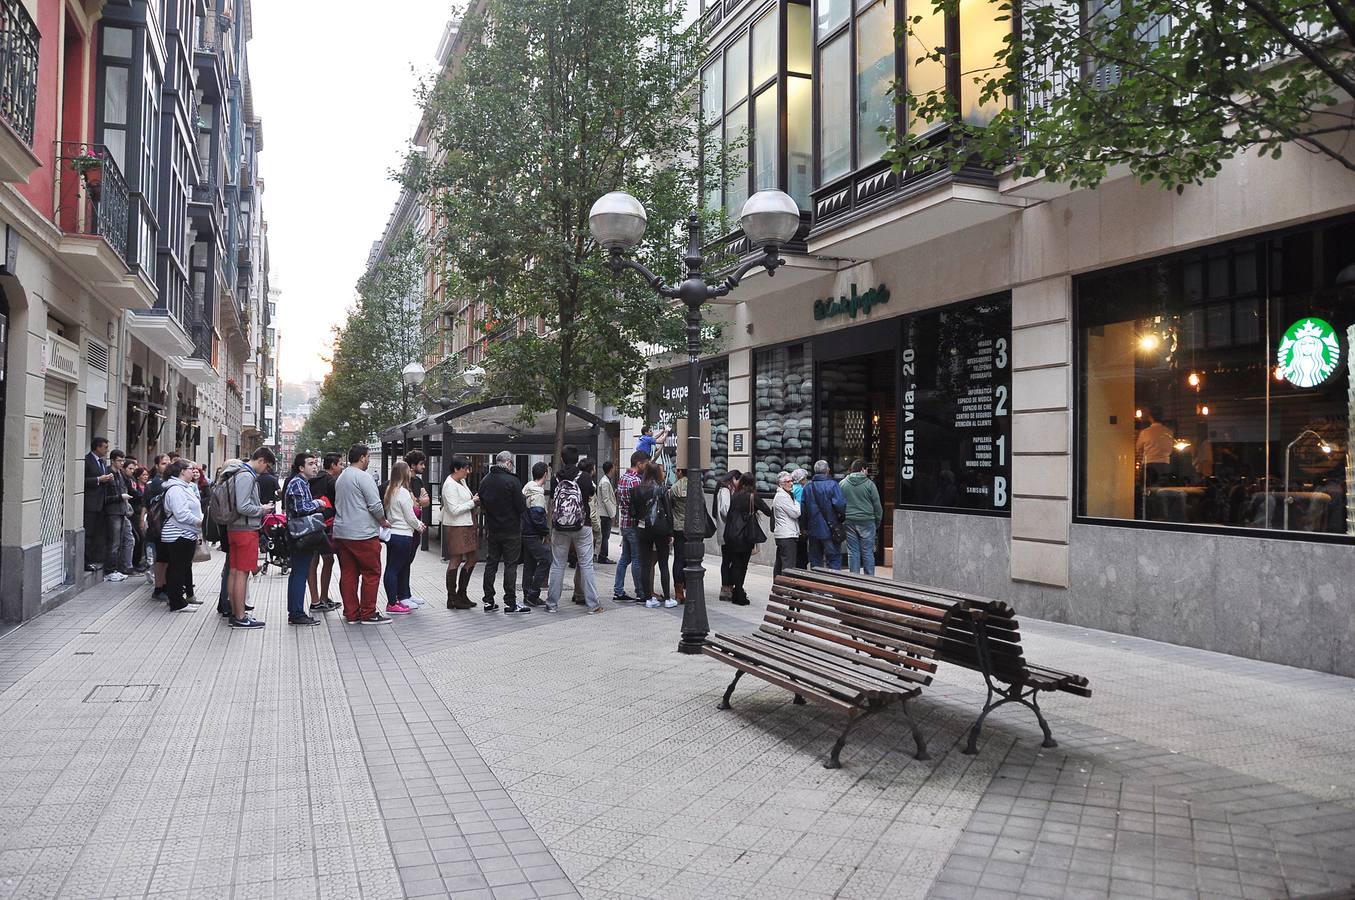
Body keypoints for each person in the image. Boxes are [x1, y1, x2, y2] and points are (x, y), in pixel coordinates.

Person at [334, 444, 392, 624]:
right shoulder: (364, 477)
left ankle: (351, 613)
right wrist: (383, 521)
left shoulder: (342, 477)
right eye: (367, 457)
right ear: (362, 458)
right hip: (363, 533)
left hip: (342, 532)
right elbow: (375, 504)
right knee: (371, 572)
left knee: (348, 573)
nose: (368, 460)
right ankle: (368, 613)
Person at [224, 448, 275, 628]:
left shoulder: (237, 472)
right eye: (266, 465)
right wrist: (261, 509)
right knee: (242, 573)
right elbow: (243, 506)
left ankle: (235, 612)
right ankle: (240, 615)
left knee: (234, 571)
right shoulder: (246, 475)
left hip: (235, 528)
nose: (265, 470)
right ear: (261, 460)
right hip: (245, 529)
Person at [547, 445, 602, 614]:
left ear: (562, 459)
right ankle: (593, 605)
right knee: (586, 565)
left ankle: (551, 604)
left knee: (558, 564)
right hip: (582, 525)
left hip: (560, 527)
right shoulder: (585, 477)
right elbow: (591, 494)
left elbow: (552, 498)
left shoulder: (556, 478)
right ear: (577, 459)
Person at [278, 453, 324, 626]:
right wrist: (318, 503)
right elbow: (300, 508)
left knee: (298, 572)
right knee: (300, 573)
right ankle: (296, 613)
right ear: (301, 468)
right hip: (300, 533)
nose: (315, 466)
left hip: (301, 533)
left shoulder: (302, 482)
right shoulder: (298, 483)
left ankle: (295, 611)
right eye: (310, 464)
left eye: (315, 463)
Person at [478, 451, 527, 613]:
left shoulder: (485, 481)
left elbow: (483, 503)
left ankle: (488, 600)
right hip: (511, 530)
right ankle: (510, 602)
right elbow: (521, 507)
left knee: (491, 563)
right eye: (511, 463)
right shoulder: (513, 481)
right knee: (510, 565)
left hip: (492, 529)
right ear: (507, 463)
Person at [158, 460, 204, 611]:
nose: (194, 471)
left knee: (179, 568)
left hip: (185, 533)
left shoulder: (184, 487)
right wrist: (198, 522)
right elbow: (181, 514)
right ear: (182, 471)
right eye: (191, 469)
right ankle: (177, 603)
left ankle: (177, 600)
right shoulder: (176, 489)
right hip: (178, 534)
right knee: (178, 568)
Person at [382, 460, 425, 617]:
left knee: (392, 568)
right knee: (395, 569)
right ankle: (392, 603)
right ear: (404, 473)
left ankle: (394, 600)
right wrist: (419, 526)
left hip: (392, 534)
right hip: (403, 535)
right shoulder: (404, 493)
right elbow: (410, 516)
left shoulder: (390, 490)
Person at [722, 473, 771, 605]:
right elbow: (767, 511)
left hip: (731, 534)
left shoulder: (735, 495)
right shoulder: (752, 496)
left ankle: (736, 591)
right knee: (742, 565)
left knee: (736, 564)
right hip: (745, 535)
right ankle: (739, 593)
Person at [632, 462, 675, 608]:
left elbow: (632, 512)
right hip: (660, 529)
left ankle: (648, 598)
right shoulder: (662, 489)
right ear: (657, 474)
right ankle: (668, 598)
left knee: (646, 564)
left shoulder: (636, 489)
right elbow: (669, 513)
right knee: (663, 563)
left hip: (643, 529)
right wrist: (670, 532)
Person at [441, 455, 478, 609]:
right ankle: (452, 597)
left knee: (472, 558)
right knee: (456, 559)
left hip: (467, 524)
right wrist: (472, 502)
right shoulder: (449, 485)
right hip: (456, 526)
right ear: (456, 469)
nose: (467, 472)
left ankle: (461, 594)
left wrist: (472, 499)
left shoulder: (461, 481)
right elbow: (453, 509)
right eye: (465, 469)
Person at [307, 452, 342, 613]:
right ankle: (322, 597)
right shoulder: (331, 482)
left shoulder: (311, 479)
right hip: (326, 526)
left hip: (310, 525)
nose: (341, 467)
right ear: (333, 465)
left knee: (313, 561)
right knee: (328, 560)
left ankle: (316, 599)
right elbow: (338, 504)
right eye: (340, 464)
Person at [611, 451, 648, 604]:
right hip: (633, 524)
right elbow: (640, 505)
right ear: (639, 463)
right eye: (645, 463)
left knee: (624, 558)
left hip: (624, 522)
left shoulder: (623, 479)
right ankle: (640, 592)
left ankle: (618, 590)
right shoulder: (636, 481)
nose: (646, 467)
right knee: (636, 559)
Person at [840, 459, 883, 575]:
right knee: (868, 552)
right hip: (867, 521)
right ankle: (869, 579)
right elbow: (877, 505)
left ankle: (854, 579)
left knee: (853, 552)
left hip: (849, 521)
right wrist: (877, 521)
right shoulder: (870, 484)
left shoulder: (843, 483)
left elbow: (839, 503)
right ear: (863, 469)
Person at [801, 460, 846, 570]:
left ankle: (816, 585)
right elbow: (840, 504)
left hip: (813, 530)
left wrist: (804, 527)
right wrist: (841, 517)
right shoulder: (833, 485)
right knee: (834, 559)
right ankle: (833, 585)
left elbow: (803, 510)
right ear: (827, 471)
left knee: (815, 561)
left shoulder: (808, 487)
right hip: (830, 529)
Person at [520, 461, 550, 608]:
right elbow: (537, 516)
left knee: (529, 564)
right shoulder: (537, 493)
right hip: (533, 534)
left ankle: (527, 594)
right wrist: (545, 531)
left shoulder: (527, 488)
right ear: (545, 474)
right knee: (546, 559)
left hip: (525, 532)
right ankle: (533, 594)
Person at [103, 450, 135, 581]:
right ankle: (109, 571)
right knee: (114, 543)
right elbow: (105, 497)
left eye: (123, 460)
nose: (122, 463)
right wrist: (120, 497)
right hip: (112, 512)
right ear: (112, 460)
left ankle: (116, 569)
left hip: (121, 511)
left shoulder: (120, 474)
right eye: (119, 461)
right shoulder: (108, 473)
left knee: (122, 541)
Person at [83, 437, 114, 573]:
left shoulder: (102, 462)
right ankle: (86, 561)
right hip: (90, 504)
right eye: (105, 448)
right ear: (97, 447)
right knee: (88, 534)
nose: (107, 451)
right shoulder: (87, 461)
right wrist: (98, 479)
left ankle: (94, 559)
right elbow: (82, 480)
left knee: (97, 534)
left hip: (101, 504)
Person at [712, 470, 741, 601]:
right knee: (728, 561)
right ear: (734, 478)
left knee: (728, 560)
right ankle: (726, 588)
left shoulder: (725, 489)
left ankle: (727, 587)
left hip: (726, 531)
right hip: (727, 531)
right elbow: (725, 510)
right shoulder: (725, 490)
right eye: (739, 481)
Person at [146, 454, 170, 596]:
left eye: (168, 463)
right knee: (161, 558)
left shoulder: (166, 480)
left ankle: (163, 586)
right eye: (163, 463)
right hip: (158, 526)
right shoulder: (156, 482)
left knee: (165, 558)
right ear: (157, 466)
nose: (166, 465)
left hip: (163, 525)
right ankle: (159, 587)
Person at [771, 470, 802, 576]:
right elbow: (796, 513)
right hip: (787, 535)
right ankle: (785, 587)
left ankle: (778, 588)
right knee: (788, 566)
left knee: (781, 563)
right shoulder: (782, 496)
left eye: (791, 481)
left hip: (786, 534)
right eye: (788, 481)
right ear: (781, 484)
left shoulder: (786, 495)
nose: (791, 483)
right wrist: (797, 502)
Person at [1137, 406, 1175, 486]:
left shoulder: (1145, 432)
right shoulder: (1169, 432)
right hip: (1165, 465)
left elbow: (1139, 449)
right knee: (1164, 491)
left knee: (1148, 490)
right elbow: (1171, 450)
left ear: (1150, 417)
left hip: (1149, 465)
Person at [669, 465, 689, 603]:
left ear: (680, 471)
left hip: (678, 527)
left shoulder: (674, 488)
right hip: (692, 527)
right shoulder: (696, 486)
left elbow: (669, 506)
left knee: (679, 558)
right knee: (691, 558)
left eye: (677, 470)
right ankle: (691, 587)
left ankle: (678, 592)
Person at [595, 460, 617, 563]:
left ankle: (602, 555)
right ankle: (603, 556)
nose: (615, 469)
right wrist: (612, 514)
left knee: (605, 535)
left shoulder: (606, 481)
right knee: (605, 535)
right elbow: (606, 499)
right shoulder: (605, 482)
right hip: (605, 513)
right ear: (611, 469)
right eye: (613, 467)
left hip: (605, 513)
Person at [791, 468, 809, 568]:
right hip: (799, 525)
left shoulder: (792, 488)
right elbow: (802, 508)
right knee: (802, 554)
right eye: (805, 478)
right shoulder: (800, 490)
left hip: (792, 526)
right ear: (801, 479)